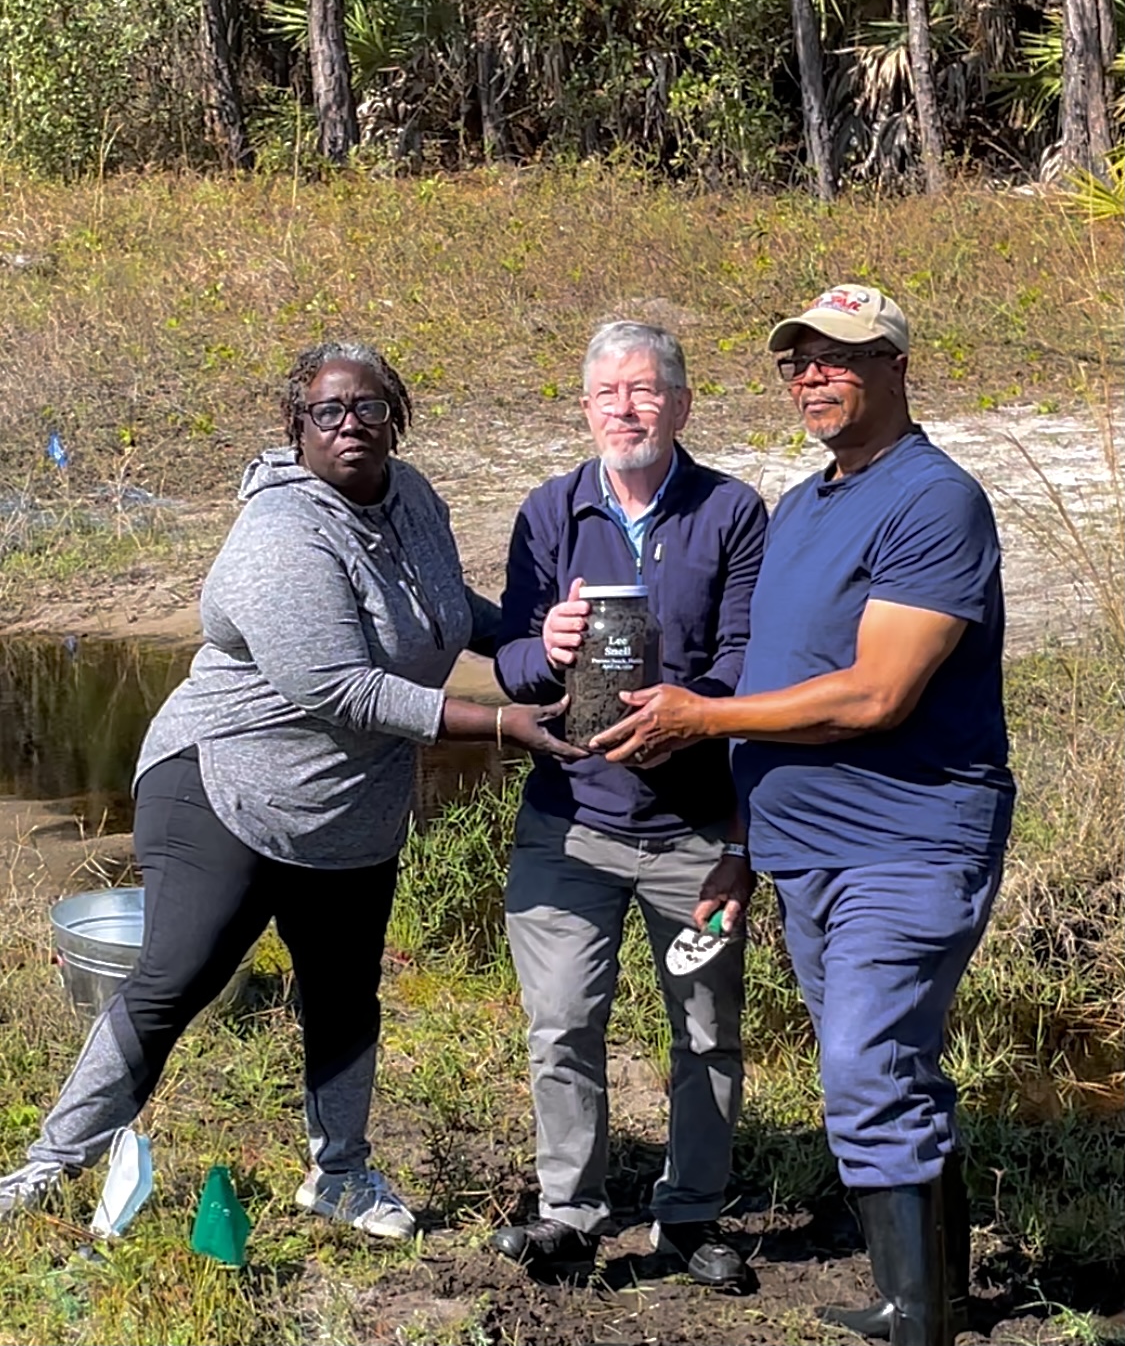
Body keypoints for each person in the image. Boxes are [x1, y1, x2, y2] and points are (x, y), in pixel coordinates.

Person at [0, 341, 582, 1236]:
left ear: (397, 415)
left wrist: (536, 647)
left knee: (344, 990)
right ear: (296, 427)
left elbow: (443, 606)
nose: (351, 425)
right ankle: (49, 1163)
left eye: (370, 408)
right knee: (178, 976)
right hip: (226, 779)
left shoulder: (414, 497)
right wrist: (503, 722)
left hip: (351, 804)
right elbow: (341, 687)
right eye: (328, 412)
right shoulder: (281, 534)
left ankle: (341, 1173)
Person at [593, 286, 1015, 1345]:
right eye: (798, 362)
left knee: (865, 1064)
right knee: (887, 1064)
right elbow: (788, 675)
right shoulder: (805, 501)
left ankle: (914, 1317)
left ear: (895, 367)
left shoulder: (935, 499)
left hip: (908, 839)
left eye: (839, 358)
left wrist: (701, 714)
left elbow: (877, 691)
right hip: (805, 847)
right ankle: (930, 1295)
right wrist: (743, 843)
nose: (813, 377)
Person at [490, 320, 768, 1286]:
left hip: (693, 825)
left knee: (705, 1032)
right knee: (563, 1021)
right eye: (608, 392)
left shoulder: (732, 510)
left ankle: (689, 1218)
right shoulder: (549, 510)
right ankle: (569, 1210)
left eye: (645, 390)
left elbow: (745, 660)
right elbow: (512, 667)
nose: (626, 408)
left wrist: (691, 714)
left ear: (682, 404)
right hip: (569, 821)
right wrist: (549, 645)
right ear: (584, 407)